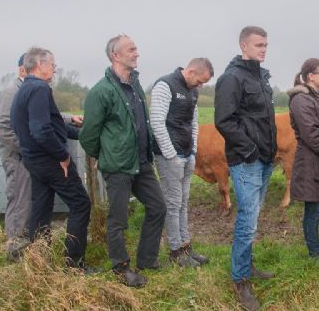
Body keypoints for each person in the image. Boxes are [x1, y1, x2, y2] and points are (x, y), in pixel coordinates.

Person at [79, 34, 166, 288]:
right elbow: (89, 136)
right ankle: (120, 268)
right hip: (119, 166)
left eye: (136, 48)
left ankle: (147, 259)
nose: (137, 53)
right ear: (115, 55)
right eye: (131, 49)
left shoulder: (136, 85)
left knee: (158, 207)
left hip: (142, 163)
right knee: (118, 220)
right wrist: (108, 156)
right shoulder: (101, 91)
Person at [10, 47, 92, 270]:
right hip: (51, 161)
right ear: (40, 65)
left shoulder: (24, 89)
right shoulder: (39, 89)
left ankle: (37, 261)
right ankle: (73, 265)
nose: (55, 70)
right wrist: (63, 156)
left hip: (33, 161)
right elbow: (41, 130)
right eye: (53, 65)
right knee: (81, 204)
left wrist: (86, 134)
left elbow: (52, 126)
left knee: (41, 208)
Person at [215, 26, 277, 311]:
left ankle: (247, 266)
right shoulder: (232, 78)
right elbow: (224, 121)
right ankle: (240, 280)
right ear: (243, 45)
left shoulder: (262, 76)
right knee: (247, 219)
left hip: (265, 158)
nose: (264, 49)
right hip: (247, 160)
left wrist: (269, 151)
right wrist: (250, 150)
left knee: (254, 216)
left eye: (266, 45)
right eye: (259, 45)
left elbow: (264, 119)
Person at [150, 58, 213, 267]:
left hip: (187, 154)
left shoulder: (193, 91)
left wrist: (193, 151)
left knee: (183, 202)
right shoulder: (165, 85)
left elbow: (193, 122)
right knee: (173, 203)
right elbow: (157, 123)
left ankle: (186, 246)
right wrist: (171, 155)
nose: (200, 86)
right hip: (170, 156)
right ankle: (175, 252)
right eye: (200, 81)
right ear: (191, 70)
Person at [286, 58, 319, 260]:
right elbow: (312, 136)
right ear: (310, 76)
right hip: (312, 164)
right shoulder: (301, 99)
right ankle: (315, 255)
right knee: (314, 212)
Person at [0, 54, 32, 261]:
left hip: (28, 157)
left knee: (29, 201)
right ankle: (15, 254)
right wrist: (25, 147)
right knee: (19, 202)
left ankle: (29, 249)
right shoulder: (11, 92)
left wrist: (70, 118)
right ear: (22, 70)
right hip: (17, 157)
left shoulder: (29, 91)